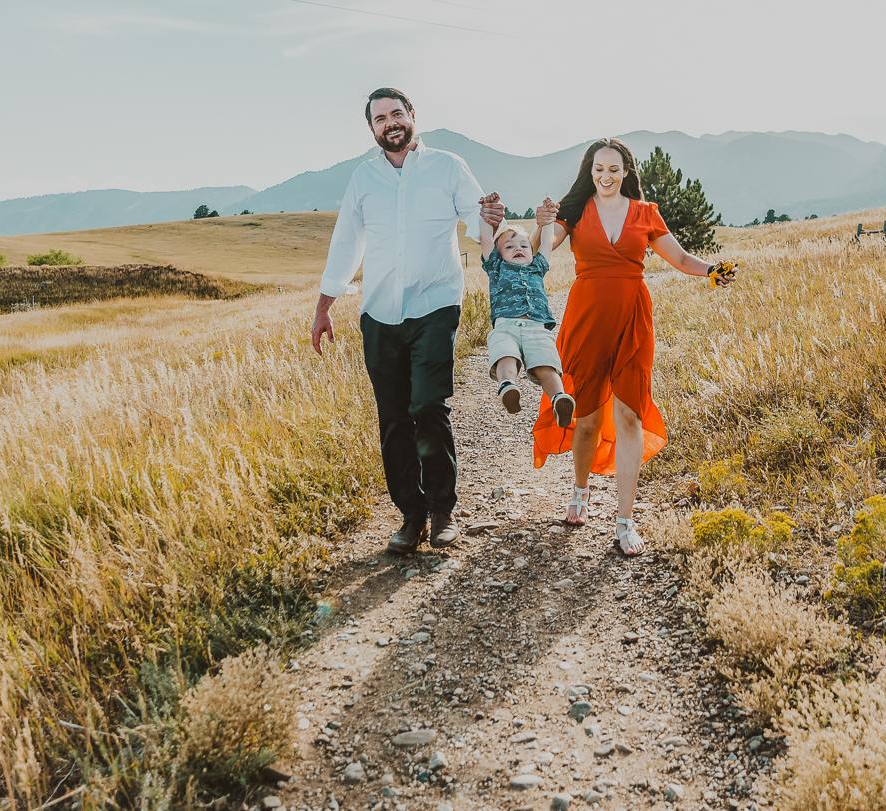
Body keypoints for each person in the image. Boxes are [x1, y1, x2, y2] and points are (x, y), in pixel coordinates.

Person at [312, 87, 504, 554]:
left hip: (435, 304)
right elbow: (346, 243)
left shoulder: (448, 167)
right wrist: (323, 306)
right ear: (372, 129)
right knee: (394, 419)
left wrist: (493, 221)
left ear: (413, 116)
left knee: (427, 405)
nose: (390, 123)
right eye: (380, 119)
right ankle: (411, 516)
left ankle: (442, 512)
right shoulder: (363, 179)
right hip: (378, 314)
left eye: (397, 113)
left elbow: (480, 225)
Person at [531, 138, 736, 556]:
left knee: (629, 417)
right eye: (598, 169)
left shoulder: (645, 213)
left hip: (633, 320)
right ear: (590, 171)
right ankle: (580, 492)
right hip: (586, 320)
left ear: (627, 172)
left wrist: (711, 270)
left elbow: (678, 257)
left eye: (613, 169)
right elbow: (541, 249)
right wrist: (542, 222)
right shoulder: (575, 211)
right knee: (585, 420)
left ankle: (624, 521)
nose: (605, 177)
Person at [478, 218, 577, 426]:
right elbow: (486, 239)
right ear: (498, 254)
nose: (518, 248)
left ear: (531, 252)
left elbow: (547, 243)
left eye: (524, 245)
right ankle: (507, 386)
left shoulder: (537, 267)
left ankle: (559, 398)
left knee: (547, 366)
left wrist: (548, 220)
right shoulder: (496, 267)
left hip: (537, 328)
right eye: (509, 246)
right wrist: (486, 217)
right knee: (506, 356)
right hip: (506, 326)